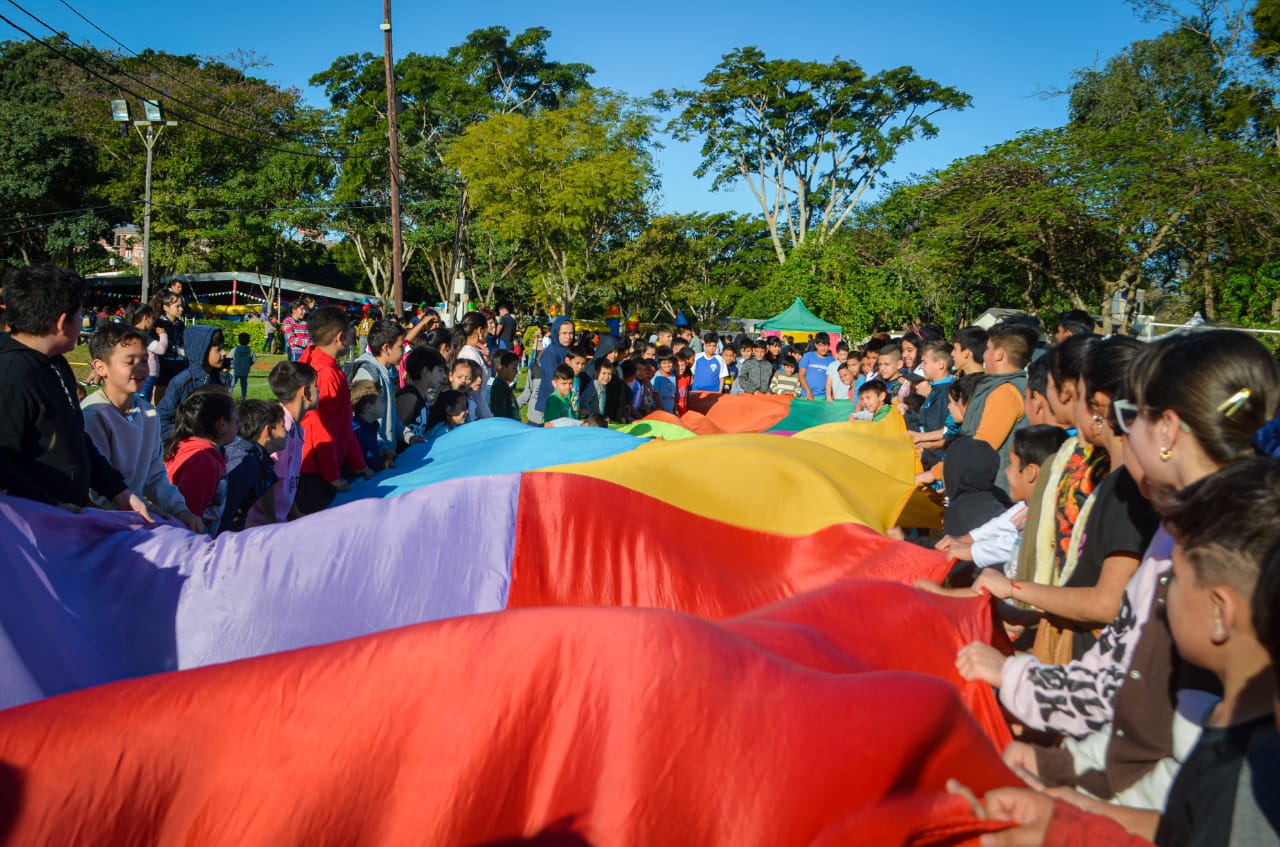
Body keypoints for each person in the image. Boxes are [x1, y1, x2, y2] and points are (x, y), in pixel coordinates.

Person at [957, 330, 1280, 817]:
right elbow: (1126, 686)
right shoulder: (1180, 525)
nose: (1120, 432)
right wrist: (1065, 767)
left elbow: (1131, 691)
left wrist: (1072, 798)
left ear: (1167, 431)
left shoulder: (1216, 545)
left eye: (1133, 417)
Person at [957, 457, 1280, 847]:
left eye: (1173, 581)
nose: (1160, 599)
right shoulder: (1223, 723)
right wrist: (1063, 807)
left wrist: (1066, 829)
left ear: (1220, 614)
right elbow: (1180, 827)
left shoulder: (1255, 781)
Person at [0, 266, 150, 519]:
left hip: (66, 519)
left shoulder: (56, 363)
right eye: (80, 315)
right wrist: (49, 506)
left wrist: (118, 491)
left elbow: (76, 438)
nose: (82, 322)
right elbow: (4, 465)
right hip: (34, 526)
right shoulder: (11, 375)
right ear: (61, 322)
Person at [80, 323, 203, 532]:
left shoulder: (148, 413)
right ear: (100, 368)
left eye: (144, 360)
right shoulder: (93, 415)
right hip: (101, 524)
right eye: (130, 361)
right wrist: (143, 508)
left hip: (134, 519)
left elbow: (155, 476)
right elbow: (96, 489)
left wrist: (180, 511)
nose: (140, 368)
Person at [933, 425, 1070, 573]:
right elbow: (1004, 524)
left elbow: (1023, 542)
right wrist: (967, 540)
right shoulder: (1030, 506)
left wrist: (974, 550)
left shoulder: (1055, 516)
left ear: (1031, 472)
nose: (1006, 470)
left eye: (1011, 463)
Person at [922, 321, 1033, 495]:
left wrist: (933, 474)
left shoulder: (1005, 392)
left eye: (987, 348)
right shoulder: (1001, 387)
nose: (984, 354)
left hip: (997, 493)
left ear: (999, 354)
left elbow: (981, 447)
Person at [297, 307, 370, 514]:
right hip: (315, 471)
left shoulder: (315, 361)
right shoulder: (326, 375)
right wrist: (331, 475)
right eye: (350, 330)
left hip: (317, 467)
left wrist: (358, 463)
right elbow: (320, 427)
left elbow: (343, 422)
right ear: (340, 337)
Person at [245, 361, 317, 528]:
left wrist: (294, 512)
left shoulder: (297, 427)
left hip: (279, 521)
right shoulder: (280, 430)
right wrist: (272, 523)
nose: (319, 391)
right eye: (316, 386)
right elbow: (265, 480)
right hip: (262, 526)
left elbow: (287, 481)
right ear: (305, 392)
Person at [163, 386, 238, 534]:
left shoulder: (194, 448)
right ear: (221, 425)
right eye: (236, 420)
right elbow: (189, 514)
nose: (239, 425)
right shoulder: (203, 462)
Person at [221, 398, 284, 534]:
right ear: (269, 430)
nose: (286, 432)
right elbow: (226, 513)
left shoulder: (256, 458)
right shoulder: (246, 462)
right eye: (283, 425)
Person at [348, 319, 405, 470]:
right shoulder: (368, 373)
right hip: (373, 458)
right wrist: (383, 449)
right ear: (386, 348)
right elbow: (362, 422)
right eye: (400, 346)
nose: (403, 351)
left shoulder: (387, 371)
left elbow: (391, 414)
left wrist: (407, 435)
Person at [156, 325, 229, 439]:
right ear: (202, 351)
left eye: (223, 348)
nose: (224, 353)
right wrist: (188, 437)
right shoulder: (181, 382)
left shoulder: (219, 378)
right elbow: (162, 419)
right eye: (218, 349)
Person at [396, 345, 447, 446]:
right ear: (425, 371)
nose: (444, 375)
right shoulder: (410, 397)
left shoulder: (423, 397)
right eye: (440, 370)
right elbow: (395, 428)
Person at [533, 317, 575, 422]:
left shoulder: (569, 351)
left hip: (565, 401)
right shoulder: (551, 353)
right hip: (551, 403)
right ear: (557, 333)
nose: (568, 337)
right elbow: (551, 379)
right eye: (564, 333)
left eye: (571, 333)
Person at [455, 312, 495, 420]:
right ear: (479, 330)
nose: (488, 332)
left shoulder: (473, 351)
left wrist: (487, 361)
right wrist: (487, 416)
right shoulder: (470, 354)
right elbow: (475, 392)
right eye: (487, 328)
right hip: (474, 413)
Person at [350, 381, 384, 472]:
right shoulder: (356, 433)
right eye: (382, 400)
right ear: (369, 407)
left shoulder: (371, 426)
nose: (385, 404)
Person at [798, 332, 834, 400]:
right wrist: (808, 392)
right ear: (816, 345)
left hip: (823, 397)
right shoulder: (807, 356)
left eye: (825, 345)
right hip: (806, 396)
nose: (823, 348)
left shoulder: (832, 361)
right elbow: (801, 376)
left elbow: (833, 380)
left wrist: (831, 395)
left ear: (829, 345)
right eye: (820, 345)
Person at [489, 350, 522, 421]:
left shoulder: (502, 385)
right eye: (514, 368)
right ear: (502, 368)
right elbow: (500, 415)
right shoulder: (500, 386)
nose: (516, 371)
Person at [230, 332, 256, 401]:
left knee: (232, 385)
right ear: (248, 341)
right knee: (244, 385)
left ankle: (228, 397)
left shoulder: (235, 349)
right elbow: (253, 360)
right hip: (245, 371)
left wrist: (231, 365)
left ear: (239, 340)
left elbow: (229, 358)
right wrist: (248, 365)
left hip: (235, 370)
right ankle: (243, 397)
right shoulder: (250, 350)